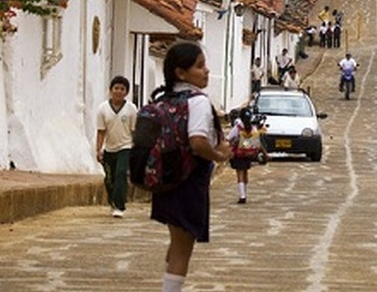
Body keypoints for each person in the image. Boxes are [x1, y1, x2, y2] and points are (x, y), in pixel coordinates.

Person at [152, 42, 232, 292]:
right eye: (200, 66)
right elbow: (197, 142)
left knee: (176, 243)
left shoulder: (165, 99)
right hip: (188, 181)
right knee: (182, 249)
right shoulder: (197, 101)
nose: (206, 71)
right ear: (181, 73)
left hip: (166, 178)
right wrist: (219, 155)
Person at [94, 75, 137, 218]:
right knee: (109, 178)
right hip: (109, 148)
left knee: (121, 173)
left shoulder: (131, 109)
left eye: (122, 89)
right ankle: (113, 200)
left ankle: (119, 206)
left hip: (126, 146)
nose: (119, 91)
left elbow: (134, 130)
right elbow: (101, 131)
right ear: (110, 90)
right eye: (116, 88)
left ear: (126, 92)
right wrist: (98, 149)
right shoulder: (103, 109)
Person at [226, 107, 266, 204]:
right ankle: (244, 192)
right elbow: (258, 142)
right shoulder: (253, 128)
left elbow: (228, 139)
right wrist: (265, 153)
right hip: (249, 153)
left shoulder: (237, 128)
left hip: (239, 153)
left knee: (239, 173)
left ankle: (242, 195)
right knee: (245, 173)